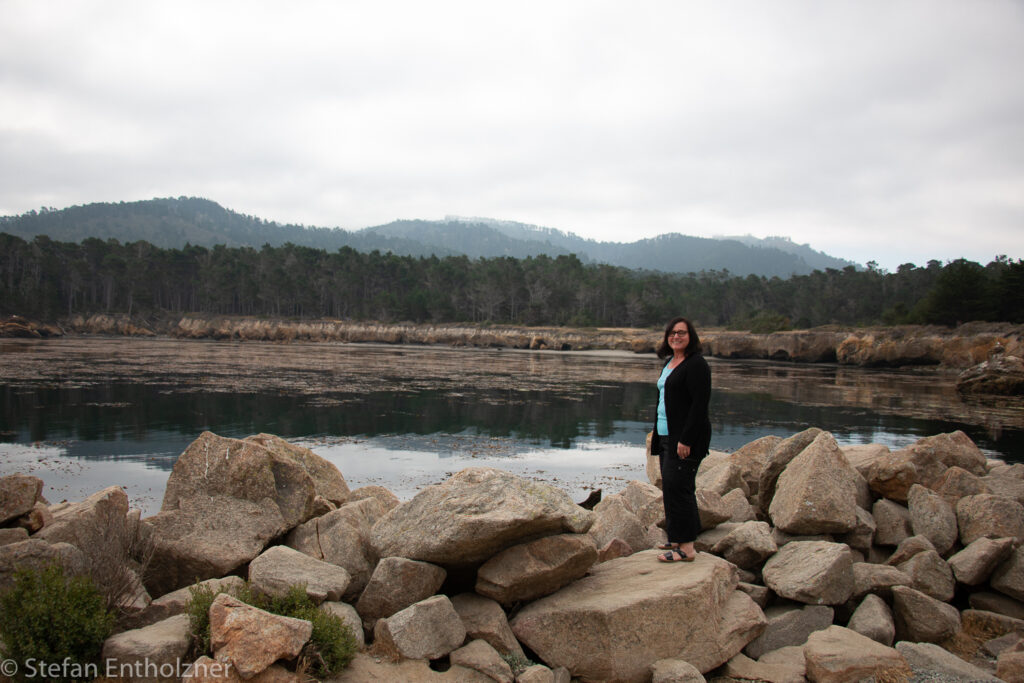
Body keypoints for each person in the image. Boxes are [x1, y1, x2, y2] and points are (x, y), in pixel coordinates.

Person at [651, 316, 712, 563]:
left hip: (685, 439)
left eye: (682, 333)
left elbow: (700, 405)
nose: (677, 337)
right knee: (671, 487)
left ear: (691, 337)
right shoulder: (670, 362)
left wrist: (686, 440)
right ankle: (676, 537)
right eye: (673, 333)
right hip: (666, 435)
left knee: (680, 488)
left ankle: (686, 549)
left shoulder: (696, 364)